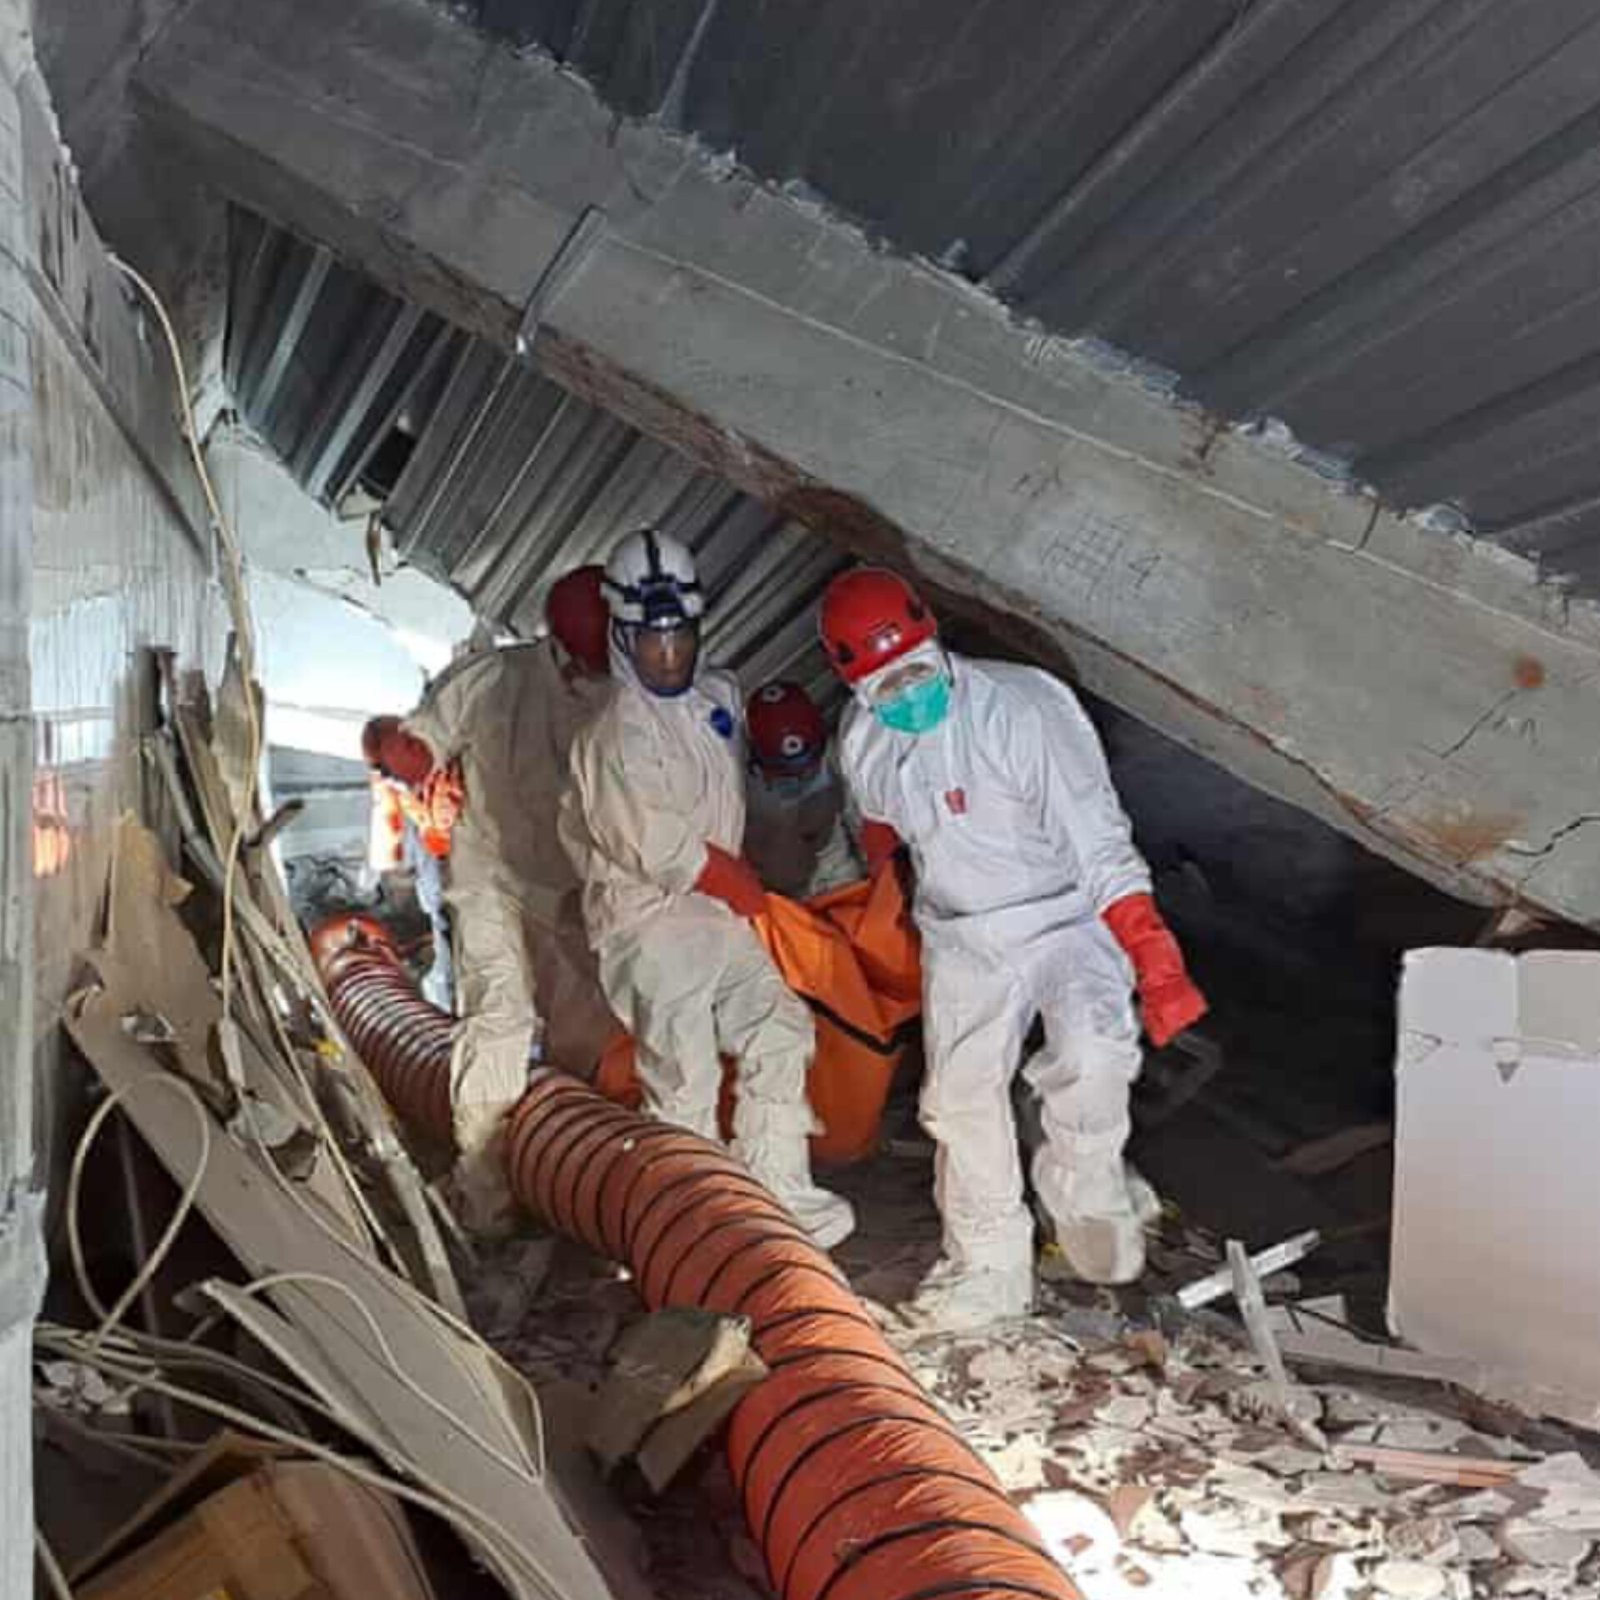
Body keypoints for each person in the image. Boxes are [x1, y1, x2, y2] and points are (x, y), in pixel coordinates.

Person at [820, 566, 1206, 1328]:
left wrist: (1154, 959)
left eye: (917, 673)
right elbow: (882, 825)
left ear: (934, 639)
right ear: (857, 689)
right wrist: (885, 896)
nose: (907, 696)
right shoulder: (865, 741)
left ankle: (1083, 1186)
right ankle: (987, 1268)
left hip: (1066, 914)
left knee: (1093, 1054)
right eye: (886, 688)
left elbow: (1097, 841)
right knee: (959, 1101)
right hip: (963, 934)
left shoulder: (1024, 709)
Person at [561, 529, 855, 1249]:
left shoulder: (717, 696)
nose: (669, 656)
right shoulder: (612, 737)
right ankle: (691, 1228)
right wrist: (739, 884)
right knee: (683, 1074)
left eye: (681, 639)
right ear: (622, 637)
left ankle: (776, 1192)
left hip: (719, 912)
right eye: (653, 643)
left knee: (778, 1027)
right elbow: (659, 847)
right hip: (650, 923)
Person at [361, 565, 618, 1230]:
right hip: (491, 882)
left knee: (586, 1038)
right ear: (556, 644)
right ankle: (485, 1196)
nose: (588, 675)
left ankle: (570, 1180)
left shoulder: (629, 692)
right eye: (581, 663)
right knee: (497, 1020)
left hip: (574, 890)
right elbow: (419, 746)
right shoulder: (492, 679)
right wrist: (399, 753)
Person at [742, 680, 864, 901]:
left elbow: (859, 815)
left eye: (809, 767)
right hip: (786, 888)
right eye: (788, 773)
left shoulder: (839, 757)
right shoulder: (747, 794)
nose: (802, 777)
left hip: (836, 860)